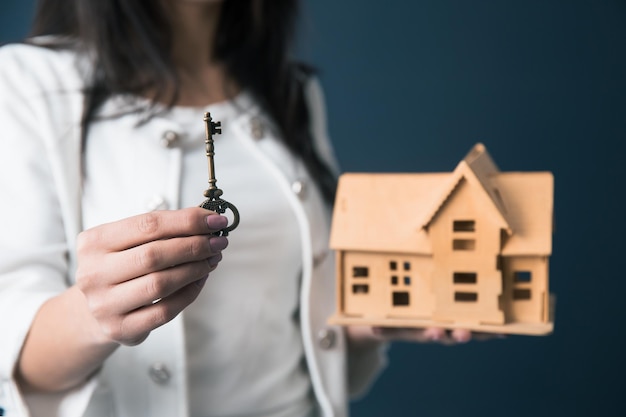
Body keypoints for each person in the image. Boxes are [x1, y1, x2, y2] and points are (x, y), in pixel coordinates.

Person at [0, 1, 474, 416]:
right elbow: (19, 355)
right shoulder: (26, 85)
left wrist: (371, 320)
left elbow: (301, 333)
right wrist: (94, 313)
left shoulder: (289, 94)